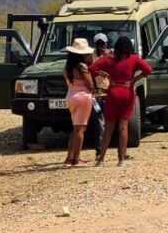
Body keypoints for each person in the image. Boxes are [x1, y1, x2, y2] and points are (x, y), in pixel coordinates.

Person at [91, 36, 152, 167]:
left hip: (113, 92)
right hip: (127, 92)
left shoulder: (109, 60)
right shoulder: (134, 59)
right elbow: (148, 69)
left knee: (109, 128)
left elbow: (92, 68)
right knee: (123, 127)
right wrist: (134, 80)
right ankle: (121, 160)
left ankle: (101, 159)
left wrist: (104, 74)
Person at [62, 38, 96, 167]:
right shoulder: (82, 67)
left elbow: (67, 82)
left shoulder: (67, 67)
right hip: (83, 97)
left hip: (71, 96)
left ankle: (69, 158)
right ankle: (76, 159)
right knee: (80, 129)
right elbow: (90, 85)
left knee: (75, 129)